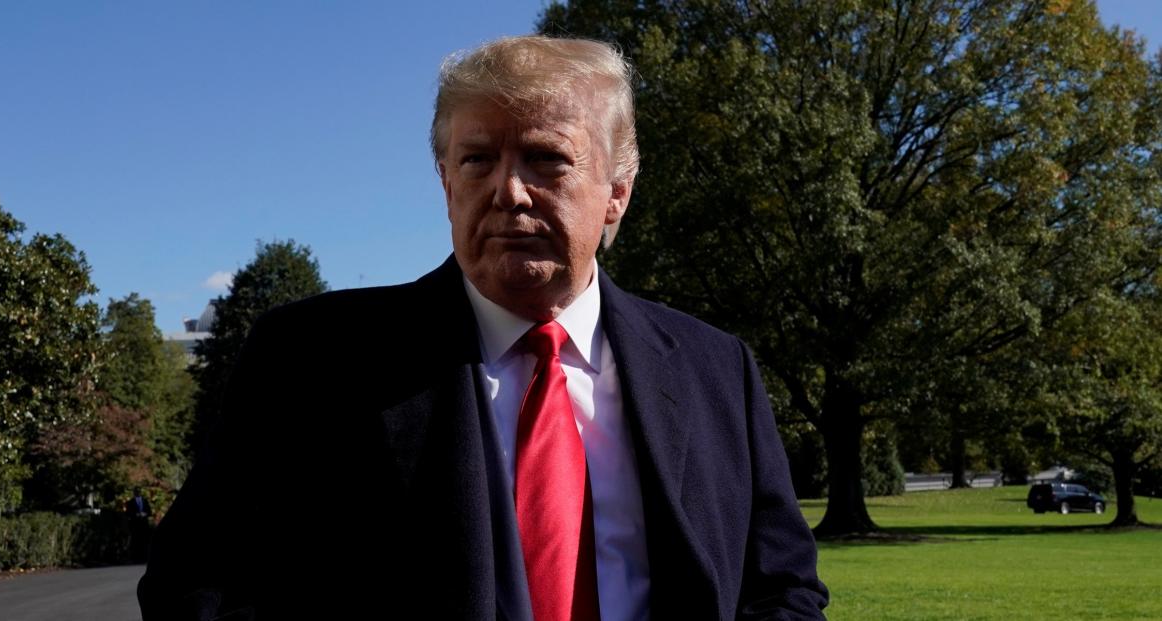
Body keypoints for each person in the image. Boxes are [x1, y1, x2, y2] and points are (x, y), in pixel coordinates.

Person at [139, 35, 827, 620]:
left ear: (618, 190)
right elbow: (194, 584)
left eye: (545, 158)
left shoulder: (716, 369)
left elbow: (783, 583)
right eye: (477, 160)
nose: (509, 190)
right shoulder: (312, 361)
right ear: (445, 181)